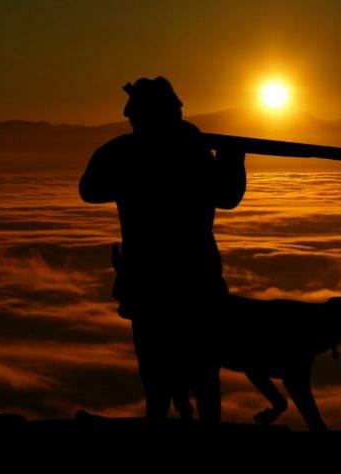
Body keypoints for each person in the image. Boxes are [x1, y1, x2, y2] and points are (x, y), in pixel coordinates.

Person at [79, 77, 246, 423]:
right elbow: (228, 196)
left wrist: (231, 160)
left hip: (162, 281)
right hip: (183, 281)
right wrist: (232, 161)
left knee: (168, 377)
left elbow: (90, 189)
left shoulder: (130, 151)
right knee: (193, 377)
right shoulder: (185, 150)